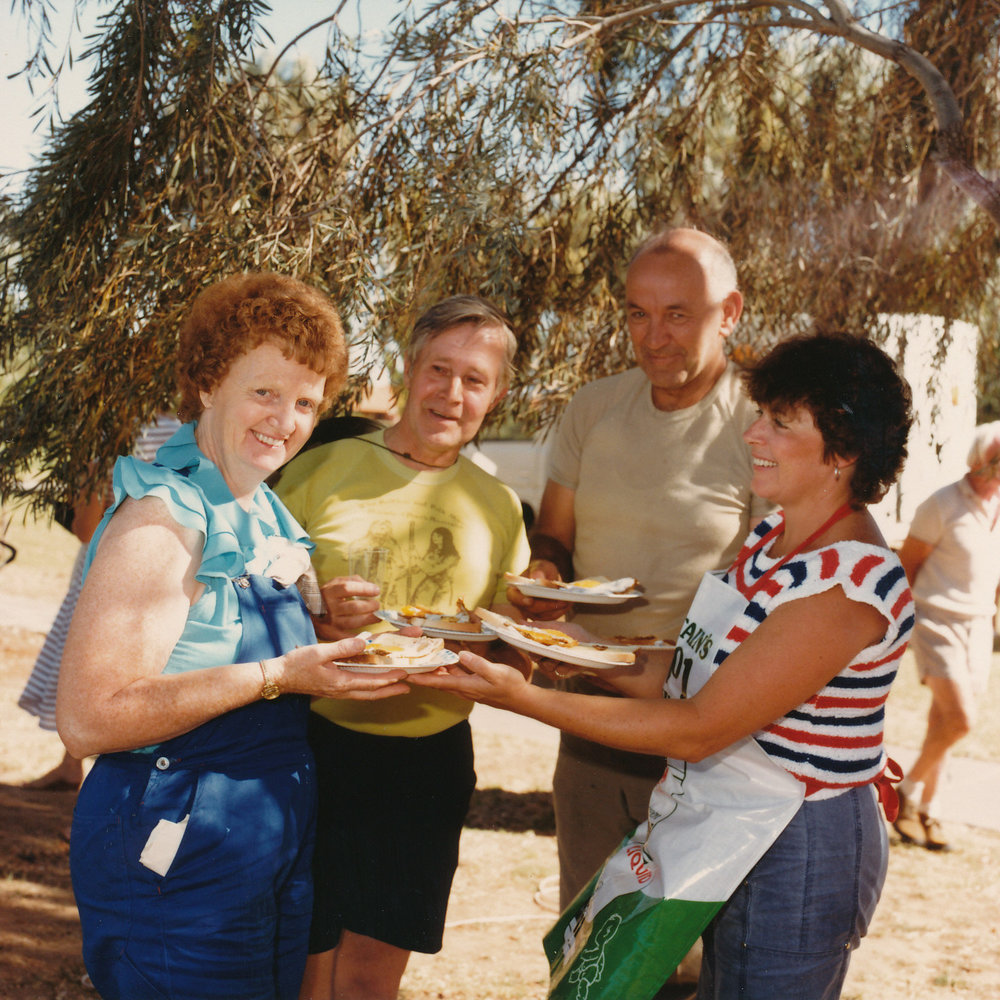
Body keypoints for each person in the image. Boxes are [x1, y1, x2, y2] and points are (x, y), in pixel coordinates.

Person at [414, 331, 915, 999]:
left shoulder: (845, 584)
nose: (753, 434)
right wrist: (572, 643)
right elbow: (688, 672)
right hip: (731, 821)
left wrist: (518, 697)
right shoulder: (773, 538)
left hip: (796, 849)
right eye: (760, 413)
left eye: (779, 422)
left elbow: (698, 725)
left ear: (844, 451)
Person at [56, 273, 410, 1000]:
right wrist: (282, 675)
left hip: (258, 837)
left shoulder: (260, 507)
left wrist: (326, 621)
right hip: (176, 848)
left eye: (307, 402)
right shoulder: (162, 522)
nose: (286, 420)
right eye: (266, 392)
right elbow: (89, 718)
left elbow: (216, 636)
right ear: (211, 381)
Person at [275, 295, 531, 1000]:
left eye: (474, 380)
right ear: (410, 368)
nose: (452, 393)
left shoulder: (500, 506)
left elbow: (513, 646)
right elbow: (246, 597)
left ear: (497, 395)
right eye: (438, 369)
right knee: (302, 955)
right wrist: (316, 609)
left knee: (369, 976)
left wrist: (506, 651)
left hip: (426, 762)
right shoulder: (319, 468)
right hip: (310, 743)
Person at [509, 227, 771, 914]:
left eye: (678, 314)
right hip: (592, 716)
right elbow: (556, 534)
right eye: (637, 313)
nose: (653, 336)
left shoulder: (763, 425)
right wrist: (545, 574)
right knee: (594, 942)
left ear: (731, 312)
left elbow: (777, 585)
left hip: (709, 731)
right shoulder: (594, 408)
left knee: (687, 951)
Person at [19, 415, 180, 792]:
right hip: (148, 571)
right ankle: (71, 765)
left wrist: (93, 468)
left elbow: (86, 528)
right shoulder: (192, 430)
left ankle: (90, 770)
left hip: (114, 570)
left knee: (94, 663)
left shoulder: (114, 430)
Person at [893, 421, 1000, 850]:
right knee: (960, 720)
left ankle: (926, 813)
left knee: (943, 724)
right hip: (936, 620)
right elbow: (907, 566)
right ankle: (906, 789)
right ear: (981, 462)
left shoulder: (996, 507)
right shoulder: (940, 505)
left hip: (980, 624)